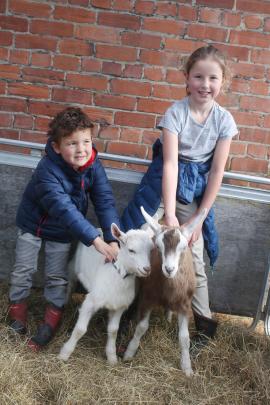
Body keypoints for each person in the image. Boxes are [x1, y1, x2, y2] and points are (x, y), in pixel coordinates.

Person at [121, 45, 238, 351]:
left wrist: (197, 219)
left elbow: (215, 173)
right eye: (198, 76)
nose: (205, 84)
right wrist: (169, 215)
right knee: (140, 239)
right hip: (164, 182)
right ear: (187, 78)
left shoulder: (224, 121)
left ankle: (204, 324)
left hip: (196, 189)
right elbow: (171, 164)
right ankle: (124, 313)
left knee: (194, 253)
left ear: (222, 81)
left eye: (213, 78)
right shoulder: (175, 113)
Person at [8, 107, 120, 351]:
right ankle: (17, 314)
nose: (81, 149)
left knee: (56, 276)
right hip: (34, 225)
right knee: (23, 270)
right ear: (57, 147)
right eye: (72, 143)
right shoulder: (47, 170)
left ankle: (52, 319)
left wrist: (112, 238)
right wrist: (95, 240)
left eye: (86, 141)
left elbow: (105, 201)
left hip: (62, 231)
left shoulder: (94, 166)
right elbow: (64, 209)